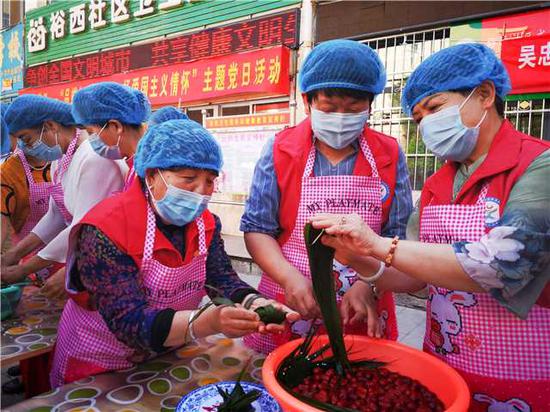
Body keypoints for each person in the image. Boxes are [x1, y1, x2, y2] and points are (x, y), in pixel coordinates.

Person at [311, 43, 549, 411]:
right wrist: (357, 258)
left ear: (485, 94)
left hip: (527, 374)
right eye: (419, 118)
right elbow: (413, 276)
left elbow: (504, 265)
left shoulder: (537, 164)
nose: (427, 125)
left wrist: (376, 244)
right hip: (445, 363)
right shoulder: (439, 184)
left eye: (435, 108)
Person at [50, 119, 299, 387]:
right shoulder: (106, 227)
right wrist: (207, 322)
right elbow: (128, 322)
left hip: (163, 355)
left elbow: (222, 279)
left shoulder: (207, 224)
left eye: (209, 181)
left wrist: (254, 302)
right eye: (189, 179)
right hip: (98, 360)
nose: (201, 192)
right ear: (152, 175)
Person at [240, 39, 413, 354]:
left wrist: (368, 285)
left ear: (370, 105)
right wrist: (290, 279)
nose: (341, 117)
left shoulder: (388, 152)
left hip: (363, 303)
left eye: (353, 108)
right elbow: (257, 228)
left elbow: (395, 236)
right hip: (292, 297)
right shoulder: (282, 149)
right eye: (329, 107)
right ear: (307, 102)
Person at [1, 94, 126, 290]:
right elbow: (56, 215)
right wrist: (14, 254)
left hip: (104, 258)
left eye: (27, 139)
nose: (25, 147)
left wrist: (23, 269)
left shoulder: (94, 158)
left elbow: (82, 228)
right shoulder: (60, 158)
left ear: (50, 126)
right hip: (80, 252)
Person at [71, 82, 149, 191]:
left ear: (116, 126)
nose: (91, 141)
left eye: (91, 132)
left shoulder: (152, 169)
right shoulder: (135, 165)